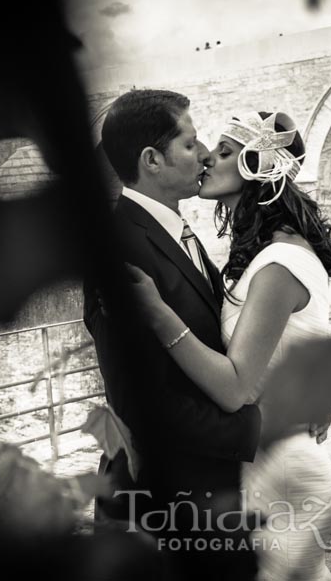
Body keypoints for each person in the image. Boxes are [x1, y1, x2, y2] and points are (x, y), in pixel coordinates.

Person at [129, 110, 331, 581]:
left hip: (284, 468)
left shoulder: (279, 262)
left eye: (224, 152)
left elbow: (235, 389)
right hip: (261, 462)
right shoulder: (262, 254)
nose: (207, 158)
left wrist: (155, 310)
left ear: (258, 168)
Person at [82, 89, 261, 581]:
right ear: (152, 160)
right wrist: (250, 426)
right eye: (190, 143)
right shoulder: (120, 248)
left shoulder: (174, 231)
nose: (204, 154)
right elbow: (136, 399)